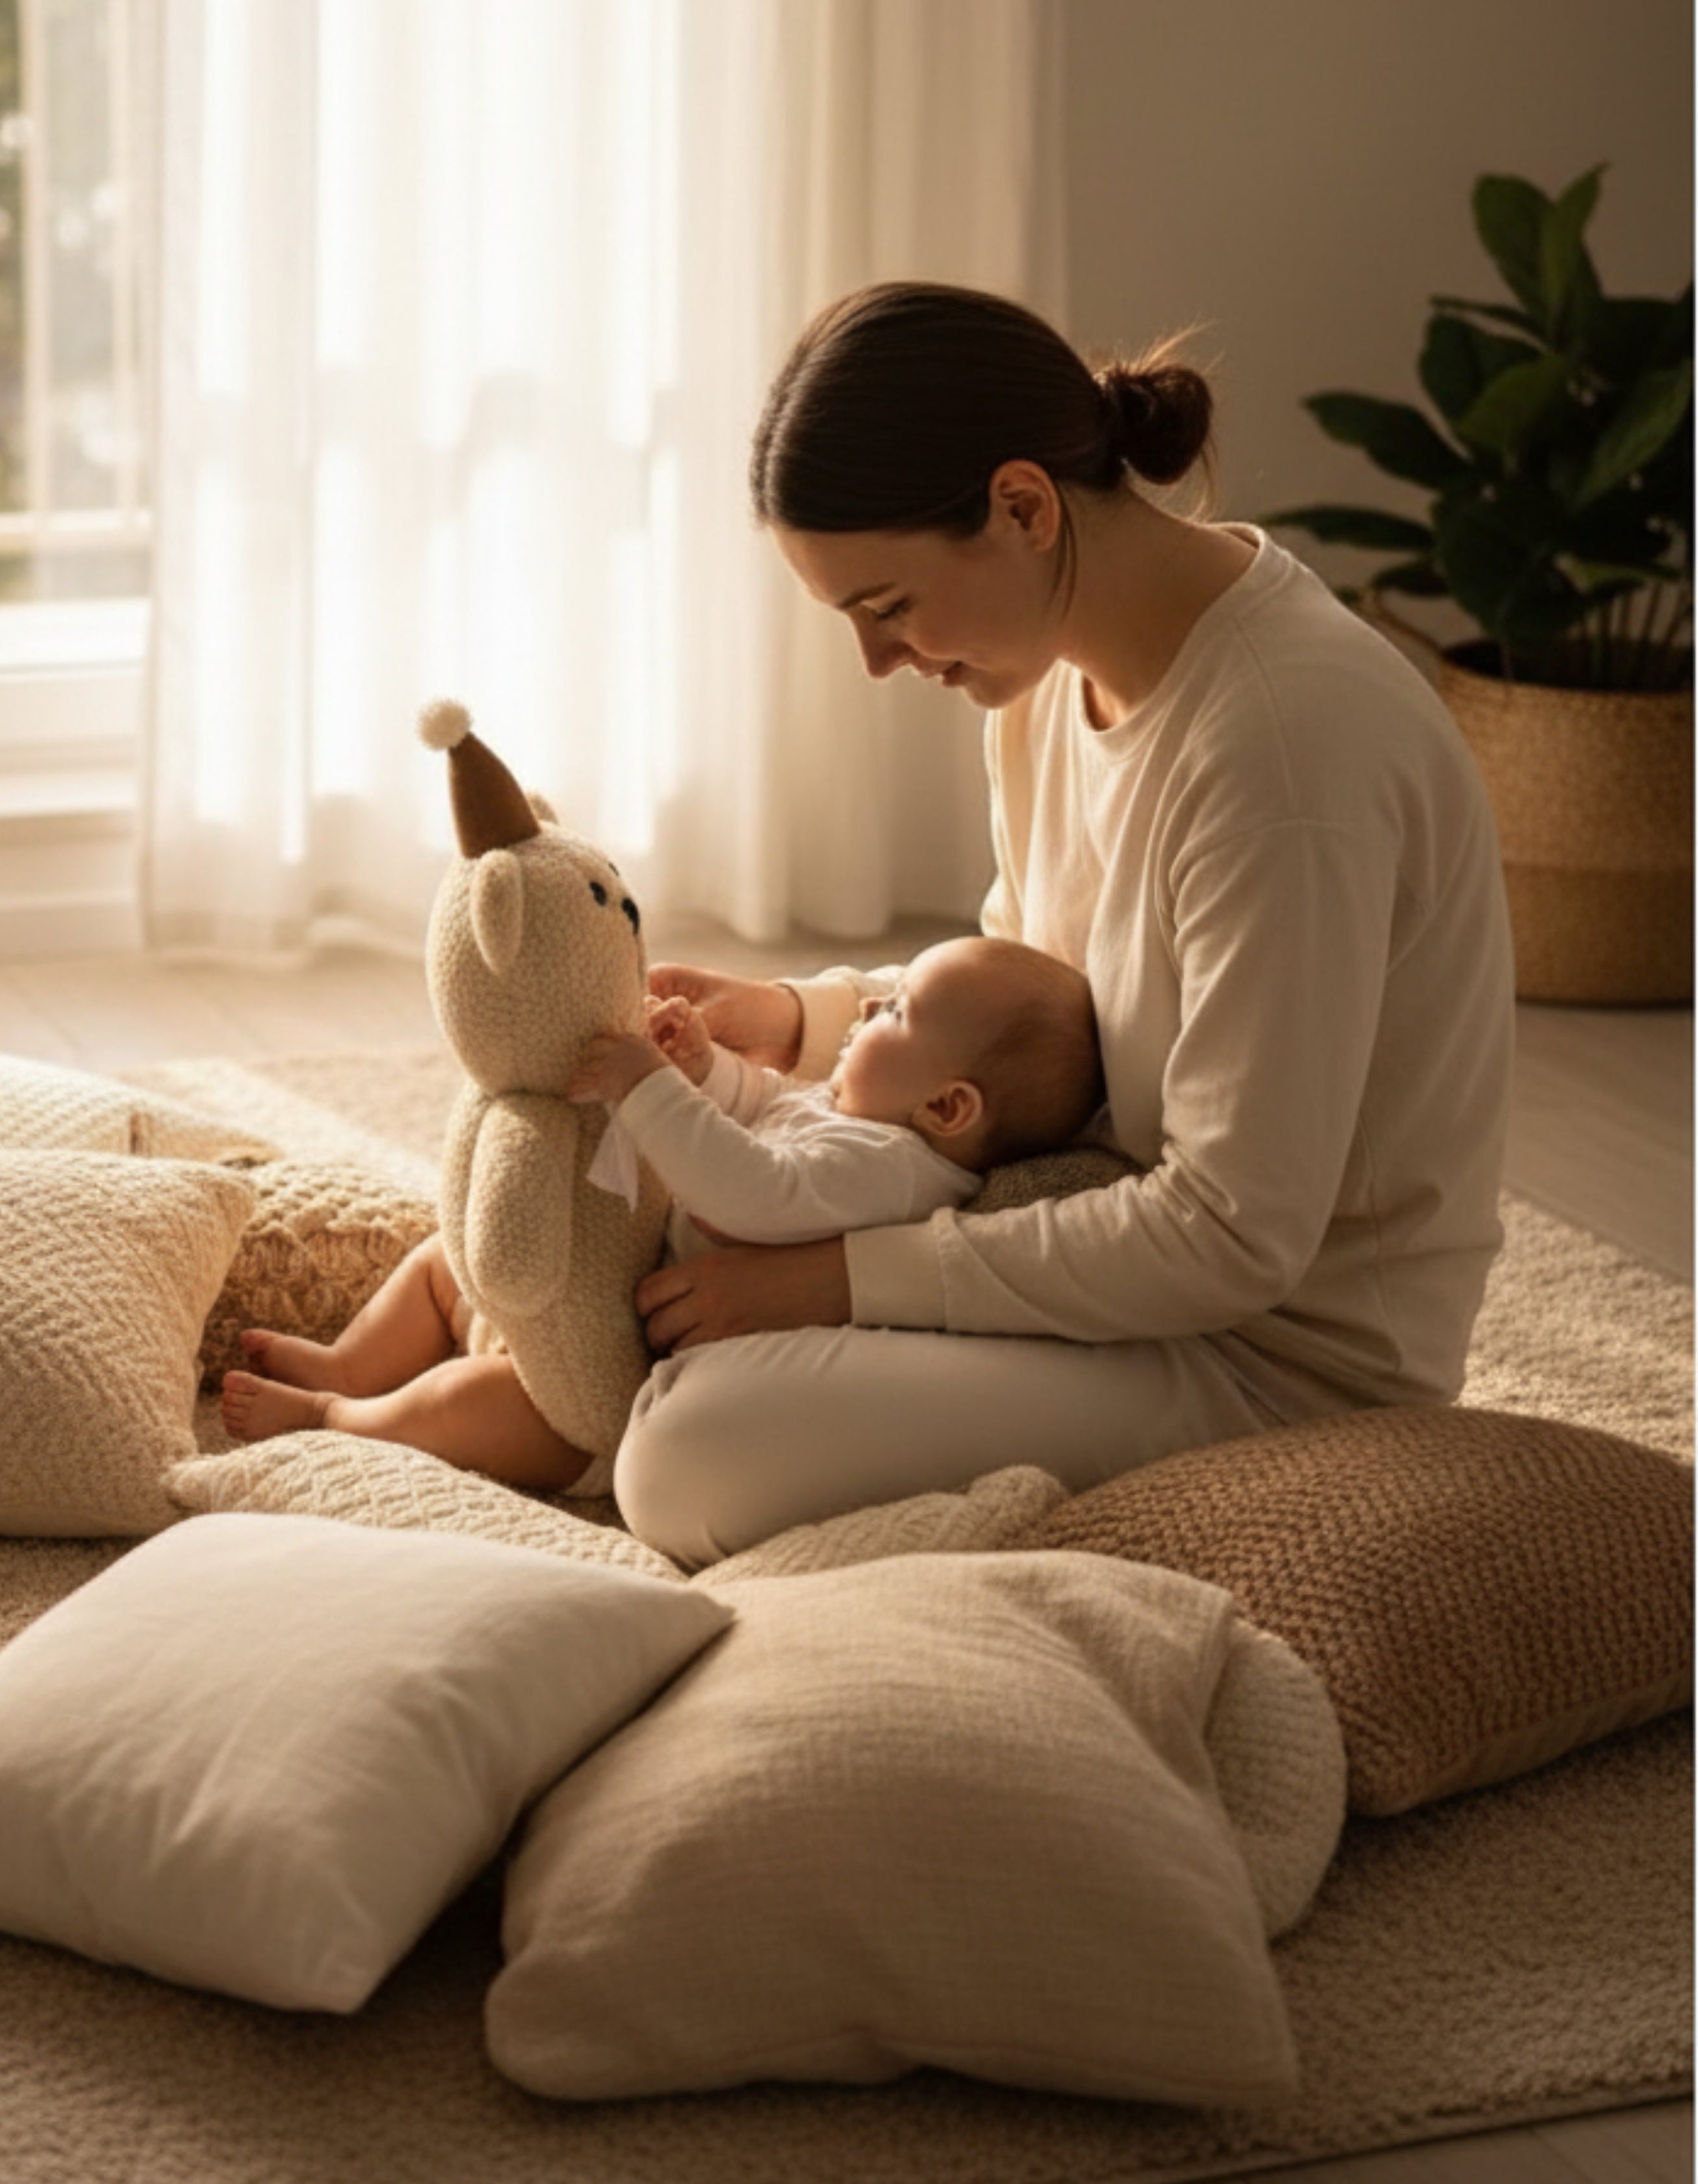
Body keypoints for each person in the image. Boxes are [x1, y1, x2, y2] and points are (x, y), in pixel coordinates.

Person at [613, 278, 1514, 1567]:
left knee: (684, 1453)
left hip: (1273, 1364)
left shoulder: (1280, 750)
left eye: (884, 607)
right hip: (1094, 1243)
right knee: (663, 1242)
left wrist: (834, 1281)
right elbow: (1017, 1018)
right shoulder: (1044, 685)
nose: (877, 663)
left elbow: (1227, 1234)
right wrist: (796, 1024)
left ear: (1022, 507)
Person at [217, 934, 1105, 1485]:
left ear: (949, 1108)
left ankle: (345, 1422)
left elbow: (749, 1194)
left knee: (490, 1402)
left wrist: (648, 1089)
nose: (868, 1006)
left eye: (894, 1012)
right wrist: (705, 1070)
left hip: (618, 1370)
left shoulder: (896, 1174)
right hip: (603, 1289)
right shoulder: (853, 1115)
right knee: (448, 1261)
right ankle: (347, 1366)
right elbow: (755, 1110)